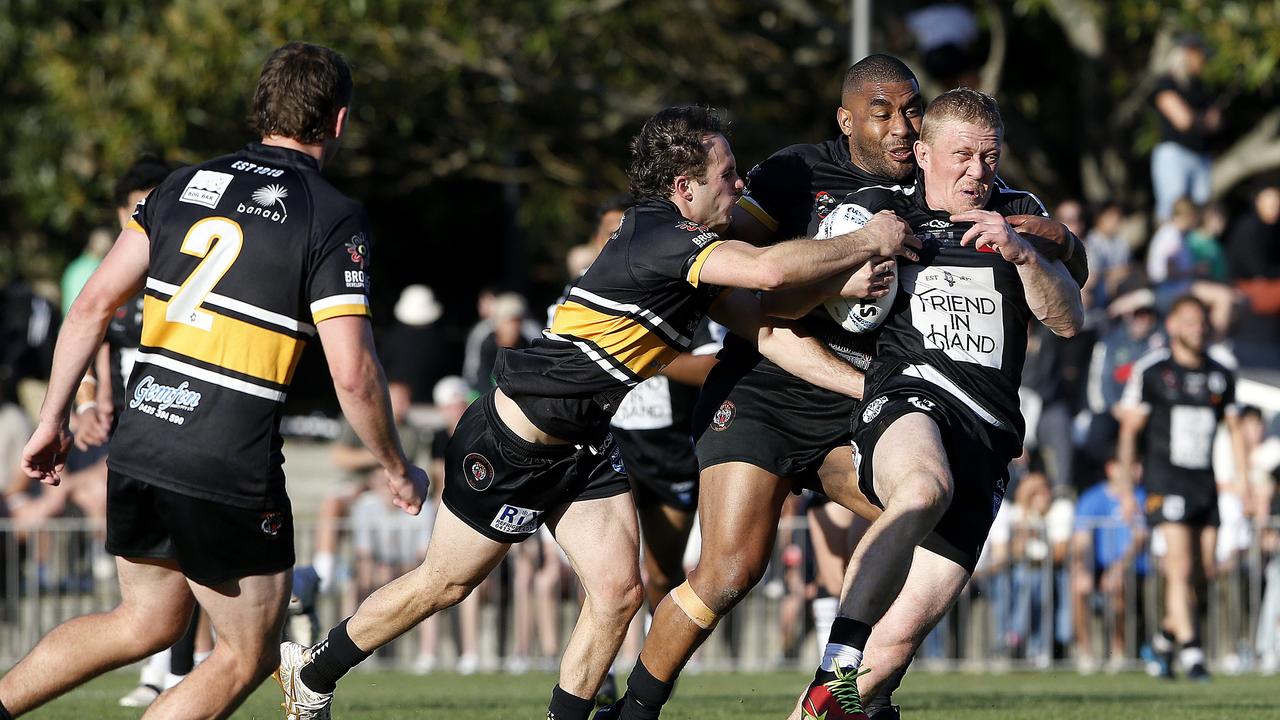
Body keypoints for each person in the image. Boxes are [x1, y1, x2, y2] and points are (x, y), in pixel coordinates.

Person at [277, 104, 918, 720]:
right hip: (517, 436)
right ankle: (312, 674)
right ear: (684, 186)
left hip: (585, 442)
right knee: (445, 584)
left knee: (619, 594)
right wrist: (867, 240)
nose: (740, 183)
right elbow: (772, 274)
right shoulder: (662, 235)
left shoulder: (699, 251)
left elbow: (766, 326)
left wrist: (864, 372)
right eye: (727, 174)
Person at [600, 56, 1084, 720]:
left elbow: (1052, 256)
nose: (899, 125)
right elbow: (715, 270)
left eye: (911, 109)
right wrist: (829, 284)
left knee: (927, 516)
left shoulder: (949, 181)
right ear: (846, 119)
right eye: (882, 112)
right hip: (769, 389)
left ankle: (855, 687)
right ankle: (635, 710)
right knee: (730, 571)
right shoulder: (795, 173)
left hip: (864, 399)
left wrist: (1055, 238)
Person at [0, 42, 428, 719]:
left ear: (259, 107)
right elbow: (352, 370)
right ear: (339, 121)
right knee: (246, 654)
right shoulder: (329, 213)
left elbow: (90, 306)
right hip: (226, 458)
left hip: (141, 441)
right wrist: (396, 465)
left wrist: (53, 417)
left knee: (141, 622)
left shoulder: (178, 186)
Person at [790, 87, 1084, 719]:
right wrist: (846, 274)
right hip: (908, 399)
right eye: (962, 157)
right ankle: (836, 655)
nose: (977, 173)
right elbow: (794, 295)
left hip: (989, 433)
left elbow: (1068, 319)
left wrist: (1024, 253)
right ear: (922, 153)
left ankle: (831, 694)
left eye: (989, 157)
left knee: (890, 656)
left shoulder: (1017, 211)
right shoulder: (874, 213)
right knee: (923, 488)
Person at [1117, 295, 1249, 681]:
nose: (1199, 328)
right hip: (1165, 479)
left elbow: (1235, 428)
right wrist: (1127, 489)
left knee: (1204, 571)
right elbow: (1129, 431)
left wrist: (1244, 483)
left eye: (1203, 321)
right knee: (1180, 567)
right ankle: (1192, 653)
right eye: (1189, 321)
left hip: (1204, 482)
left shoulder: (1220, 373)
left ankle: (1162, 641)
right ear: (1172, 326)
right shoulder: (1154, 371)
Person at [1071, 458, 1149, 674]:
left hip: (1131, 568)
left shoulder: (1141, 497)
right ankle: (1085, 653)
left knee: (1118, 587)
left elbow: (1139, 539)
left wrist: (1118, 568)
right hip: (1096, 565)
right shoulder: (1092, 498)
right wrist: (1083, 569)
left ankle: (1119, 650)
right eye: (1131, 464)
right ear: (1111, 468)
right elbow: (1082, 541)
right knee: (1078, 587)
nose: (1137, 469)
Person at [1150, 33, 1221, 222]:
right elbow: (1183, 120)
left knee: (1199, 214)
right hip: (1175, 154)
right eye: (1201, 55)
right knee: (1175, 211)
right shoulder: (1167, 82)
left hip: (1199, 155)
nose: (1203, 61)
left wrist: (1201, 120)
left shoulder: (1200, 87)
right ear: (1187, 54)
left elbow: (1215, 121)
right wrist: (1203, 120)